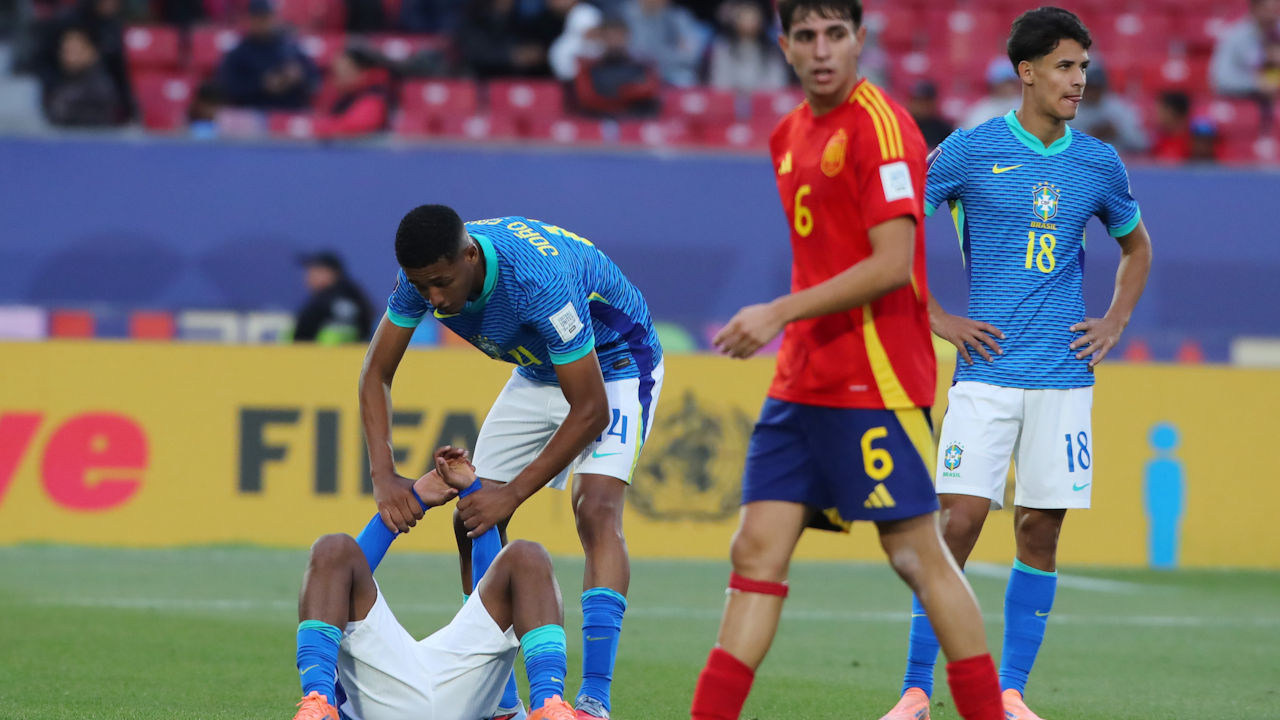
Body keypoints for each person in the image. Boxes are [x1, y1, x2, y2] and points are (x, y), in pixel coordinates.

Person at [687, 1, 1004, 719]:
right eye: (806, 36)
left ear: (860, 40)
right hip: (802, 379)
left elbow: (893, 264)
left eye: (836, 34)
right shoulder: (786, 135)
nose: (822, 49)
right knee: (753, 555)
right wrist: (790, 326)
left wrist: (778, 311)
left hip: (874, 379)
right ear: (785, 47)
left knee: (916, 556)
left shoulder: (883, 127)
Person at [881, 8, 1153, 720]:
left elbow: (1137, 247)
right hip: (986, 373)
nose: (1078, 81)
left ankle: (1010, 693)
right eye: (1065, 67)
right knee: (959, 522)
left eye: (1084, 69)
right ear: (1026, 71)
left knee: (1040, 528)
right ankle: (915, 689)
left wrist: (1115, 320)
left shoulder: (1098, 162)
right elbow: (898, 231)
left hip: (1064, 377)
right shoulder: (969, 153)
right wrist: (937, 318)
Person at [361, 206, 664, 720]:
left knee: (594, 509)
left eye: (441, 283)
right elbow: (376, 373)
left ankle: (593, 701)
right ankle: (496, 701)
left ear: (470, 256)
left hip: (615, 364)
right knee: (473, 519)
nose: (434, 299)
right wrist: (384, 474)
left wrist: (514, 492)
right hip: (538, 369)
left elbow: (589, 410)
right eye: (422, 286)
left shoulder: (539, 283)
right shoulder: (424, 276)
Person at [289, 446, 576, 720]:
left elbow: (483, 595)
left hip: (463, 699)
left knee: (527, 556)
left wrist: (465, 493)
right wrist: (415, 499)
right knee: (332, 548)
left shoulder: (487, 664)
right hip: (378, 700)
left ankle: (548, 705)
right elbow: (337, 570)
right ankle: (319, 703)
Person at [217, 0, 319, 110]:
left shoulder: (291, 47)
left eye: (266, 17)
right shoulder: (239, 53)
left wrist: (298, 76)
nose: (263, 22)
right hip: (252, 115)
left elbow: (314, 81)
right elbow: (228, 88)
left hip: (289, 113)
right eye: (258, 17)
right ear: (250, 19)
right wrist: (262, 85)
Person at [572, 17, 662, 118]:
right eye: (609, 36)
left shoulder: (643, 65)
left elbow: (651, 91)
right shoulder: (589, 67)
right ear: (601, 38)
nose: (614, 40)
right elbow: (587, 98)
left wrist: (618, 91)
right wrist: (629, 91)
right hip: (598, 120)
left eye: (618, 35)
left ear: (628, 36)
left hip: (636, 121)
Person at [42, 26, 124, 126]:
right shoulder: (60, 82)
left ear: (92, 52)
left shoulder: (100, 88)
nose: (68, 57)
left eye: (75, 51)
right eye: (65, 51)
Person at [707, 0, 790, 93]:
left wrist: (755, 97)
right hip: (730, 102)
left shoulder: (771, 49)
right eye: (744, 18)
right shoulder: (722, 47)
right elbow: (719, 83)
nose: (748, 23)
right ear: (735, 21)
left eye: (752, 18)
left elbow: (777, 83)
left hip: (764, 101)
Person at [294, 251, 375, 344]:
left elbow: (301, 340)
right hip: (357, 356)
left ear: (331, 273)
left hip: (320, 356)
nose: (309, 276)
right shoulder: (357, 297)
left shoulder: (320, 303)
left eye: (315, 271)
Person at [1069, 62, 1148, 155]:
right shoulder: (1069, 109)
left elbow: (1142, 143)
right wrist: (1089, 136)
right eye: (1089, 87)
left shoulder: (1120, 108)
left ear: (1104, 87)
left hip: (1119, 162)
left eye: (1097, 87)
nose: (1093, 92)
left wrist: (1117, 131)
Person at [313, 46, 391, 139]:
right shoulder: (347, 96)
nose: (334, 81)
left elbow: (351, 128)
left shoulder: (374, 99)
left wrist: (313, 126)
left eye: (340, 74)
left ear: (362, 72)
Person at [1210, 0, 1280, 102]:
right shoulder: (1234, 37)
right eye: (1268, 10)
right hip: (1245, 101)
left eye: (1276, 10)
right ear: (1255, 9)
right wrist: (1256, 83)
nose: (1272, 16)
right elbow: (1221, 79)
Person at [960, 56, 1022, 129]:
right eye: (1004, 83)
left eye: (1011, 82)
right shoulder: (982, 111)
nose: (1008, 87)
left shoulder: (1024, 105)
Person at [906, 79, 954, 149]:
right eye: (917, 101)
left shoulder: (943, 130)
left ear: (933, 103)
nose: (920, 106)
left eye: (925, 102)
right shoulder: (902, 127)